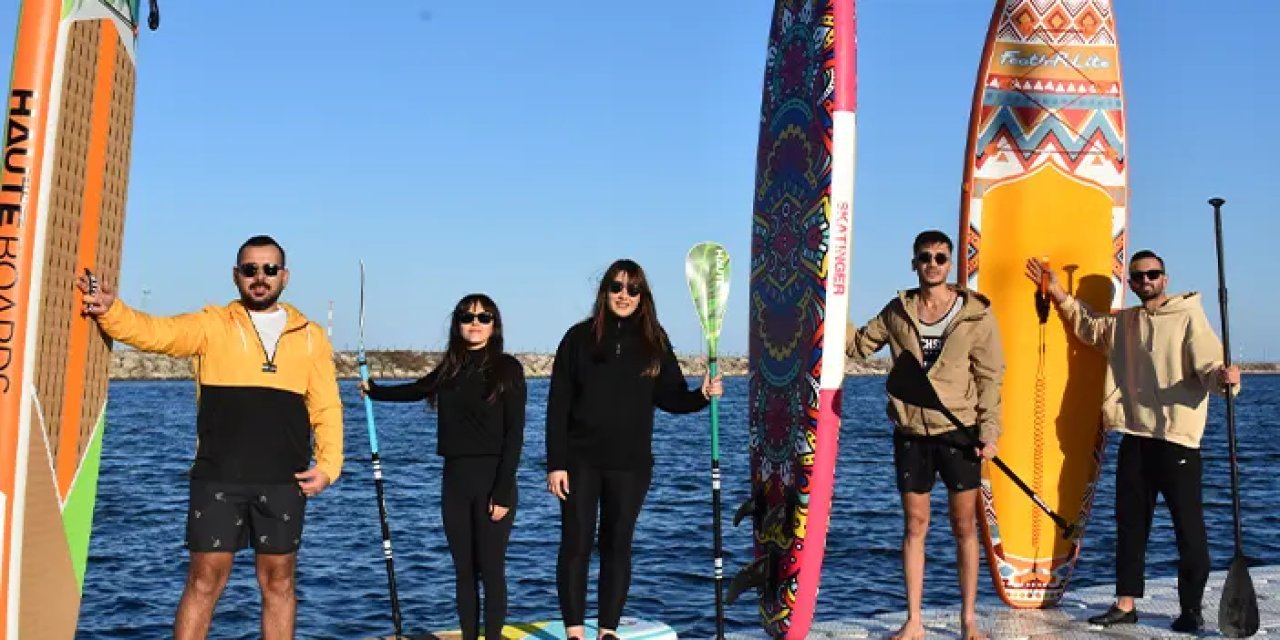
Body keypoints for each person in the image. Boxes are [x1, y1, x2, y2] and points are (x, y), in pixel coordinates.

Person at [77, 235, 342, 640]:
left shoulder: (310, 336)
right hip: (218, 477)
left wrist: (328, 466)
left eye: (269, 269)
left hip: (283, 480)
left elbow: (326, 407)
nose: (260, 277)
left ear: (284, 276)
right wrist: (112, 311)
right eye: (250, 269)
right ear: (236, 276)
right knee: (204, 582)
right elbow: (156, 333)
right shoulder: (212, 324)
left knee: (279, 584)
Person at [1025, 250, 1241, 633]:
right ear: (1131, 284)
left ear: (1165, 278)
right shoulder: (1125, 323)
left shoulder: (1189, 317)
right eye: (1137, 278)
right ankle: (1126, 604)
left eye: (1152, 275)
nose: (1145, 282)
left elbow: (1210, 366)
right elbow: (1088, 326)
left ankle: (1191, 609)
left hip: (1177, 441)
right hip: (1135, 439)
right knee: (1130, 527)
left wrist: (1225, 379)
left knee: (1188, 531)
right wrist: (1058, 292)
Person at [545, 259, 723, 640]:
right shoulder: (577, 338)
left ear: (643, 296)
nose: (624, 295)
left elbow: (671, 397)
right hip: (580, 462)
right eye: (616, 287)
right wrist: (555, 463)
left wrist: (701, 396)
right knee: (575, 544)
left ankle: (607, 630)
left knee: (617, 545)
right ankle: (575, 631)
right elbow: (558, 404)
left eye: (632, 289)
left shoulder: (654, 340)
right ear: (604, 291)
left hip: (631, 464)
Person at [845, 230, 1004, 640]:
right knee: (915, 525)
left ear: (951, 264)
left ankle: (969, 619)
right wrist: (834, 299)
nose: (932, 264)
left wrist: (990, 431)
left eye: (940, 257)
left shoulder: (976, 314)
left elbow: (990, 377)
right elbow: (859, 347)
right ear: (913, 263)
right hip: (912, 432)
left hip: (959, 431)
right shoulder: (897, 311)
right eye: (925, 257)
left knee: (964, 526)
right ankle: (914, 620)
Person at [360, 294, 525, 640]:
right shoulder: (451, 366)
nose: (475, 323)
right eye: (467, 317)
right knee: (464, 570)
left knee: (490, 570)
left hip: (494, 481)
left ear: (495, 324)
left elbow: (514, 436)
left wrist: (503, 491)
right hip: (455, 480)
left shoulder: (509, 369)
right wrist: (375, 392)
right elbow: (419, 389)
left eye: (484, 317)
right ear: (457, 324)